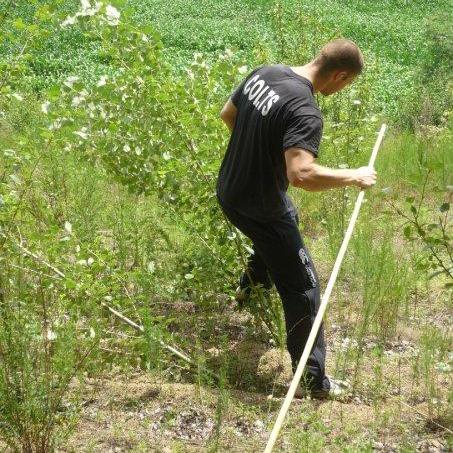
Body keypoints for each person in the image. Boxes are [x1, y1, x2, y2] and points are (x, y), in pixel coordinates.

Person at [215, 39, 377, 399]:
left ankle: (249, 289)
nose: (343, 88)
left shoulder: (265, 73)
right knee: (304, 289)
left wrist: (257, 154)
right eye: (347, 83)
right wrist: (354, 175)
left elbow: (228, 114)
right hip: (261, 207)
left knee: (287, 219)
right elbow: (302, 174)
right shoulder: (305, 110)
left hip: (229, 192)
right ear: (340, 75)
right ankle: (312, 382)